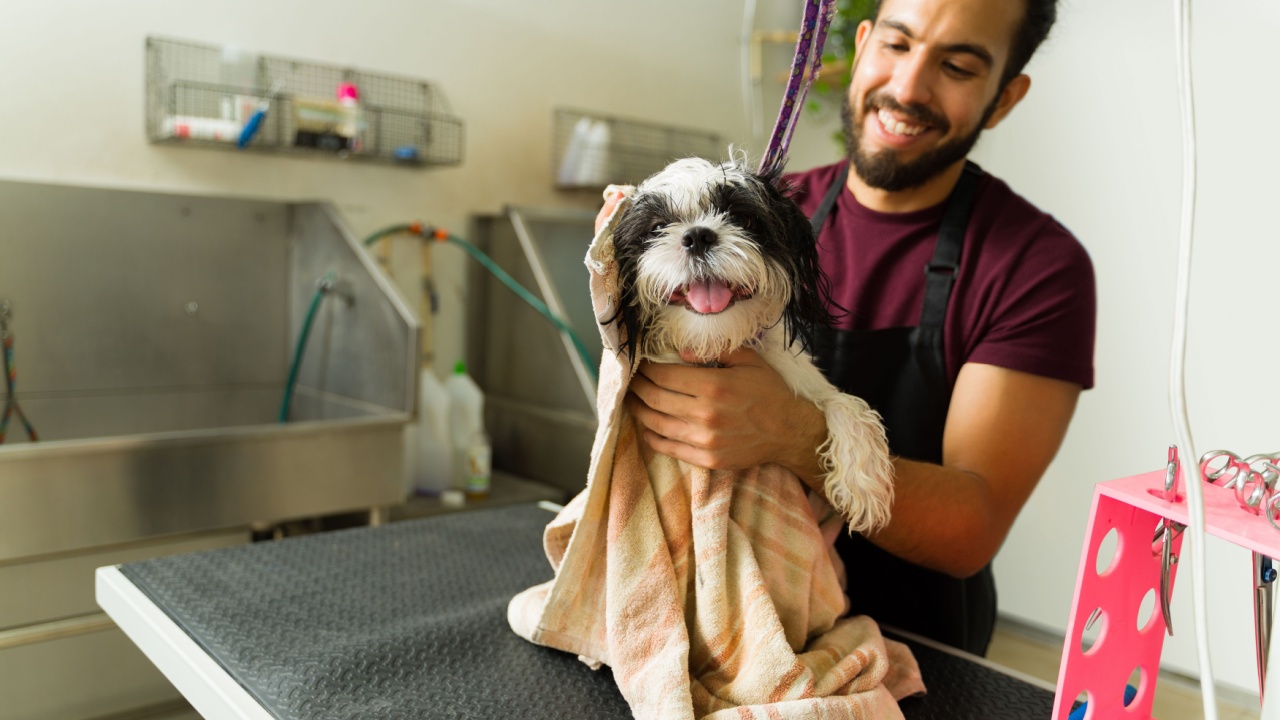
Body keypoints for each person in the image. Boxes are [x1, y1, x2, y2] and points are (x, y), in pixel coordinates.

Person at [599, 0, 1094, 657]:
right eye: (897, 44)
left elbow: (971, 528)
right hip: (710, 622)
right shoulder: (758, 219)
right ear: (860, 48)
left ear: (1005, 97)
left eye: (957, 66)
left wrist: (793, 432)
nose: (909, 86)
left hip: (917, 648)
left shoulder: (1036, 265)